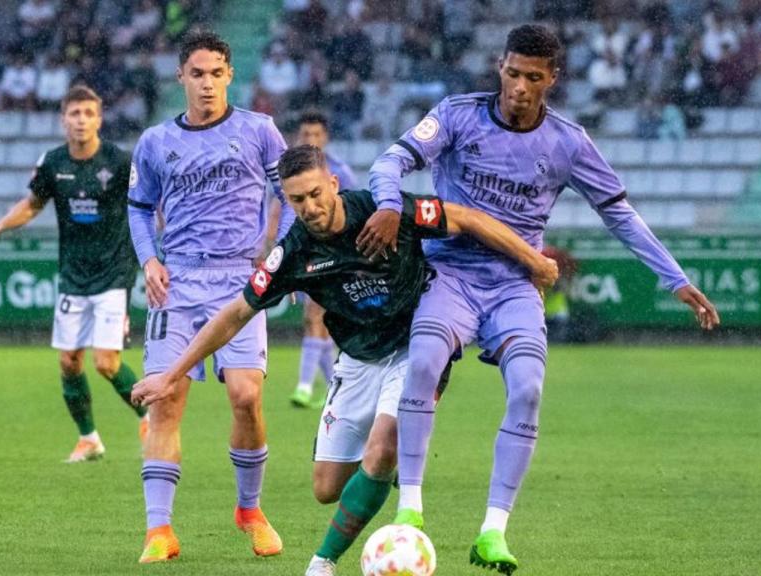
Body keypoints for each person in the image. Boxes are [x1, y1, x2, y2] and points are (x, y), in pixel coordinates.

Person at [365, 24, 721, 574]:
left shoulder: (568, 142)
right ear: (499, 68)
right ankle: (410, 508)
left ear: (552, 79)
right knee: (425, 365)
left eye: (534, 77)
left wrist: (673, 278)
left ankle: (492, 532)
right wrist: (389, 203)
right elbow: (391, 160)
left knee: (528, 389)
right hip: (451, 274)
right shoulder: (457, 115)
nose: (520, 87)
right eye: (512, 73)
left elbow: (618, 213)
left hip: (515, 285)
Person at [131, 144, 559, 576]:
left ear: (333, 183)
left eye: (316, 194)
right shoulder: (293, 253)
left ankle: (323, 561)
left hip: (415, 346)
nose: (310, 208)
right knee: (326, 488)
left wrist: (534, 262)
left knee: (381, 449)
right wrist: (173, 374)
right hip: (356, 361)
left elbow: (466, 218)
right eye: (297, 200)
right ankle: (384, 473)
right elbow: (236, 313)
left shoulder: (382, 211)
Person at [125, 31, 293, 564]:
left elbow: (290, 195)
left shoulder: (260, 131)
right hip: (178, 283)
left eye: (216, 73)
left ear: (230, 76)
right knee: (167, 399)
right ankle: (159, 530)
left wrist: (279, 255)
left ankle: (249, 509)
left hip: (239, 282)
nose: (207, 83)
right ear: (181, 77)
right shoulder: (154, 142)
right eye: (197, 74)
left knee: (246, 396)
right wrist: (149, 260)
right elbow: (137, 207)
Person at [0, 85, 146, 463]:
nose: (81, 120)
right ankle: (89, 439)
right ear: (62, 120)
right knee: (68, 361)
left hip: (114, 272)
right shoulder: (53, 163)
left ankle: (149, 417)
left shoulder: (119, 161)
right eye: (74, 114)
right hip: (73, 275)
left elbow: (146, 202)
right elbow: (33, 205)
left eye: (88, 113)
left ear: (99, 119)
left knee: (106, 363)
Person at [288, 110, 359, 409]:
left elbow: (358, 210)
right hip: (306, 251)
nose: (311, 140)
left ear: (326, 138)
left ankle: (305, 387)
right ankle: (335, 388)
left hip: (334, 256)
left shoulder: (340, 171)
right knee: (315, 321)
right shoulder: (290, 174)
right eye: (306, 135)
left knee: (316, 317)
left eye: (316, 135)